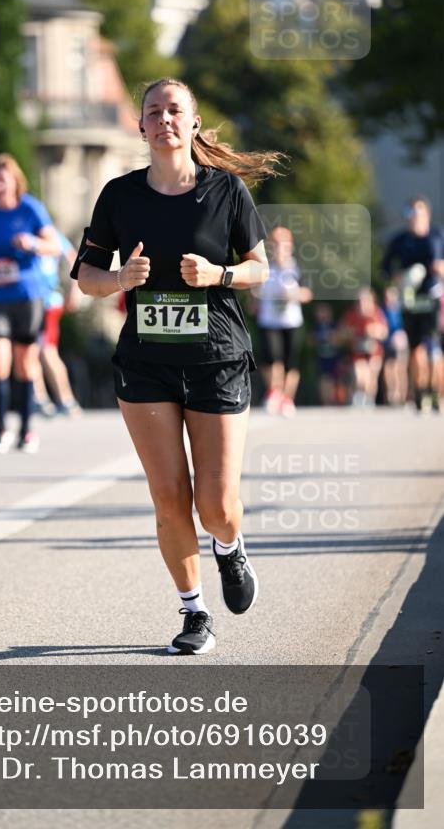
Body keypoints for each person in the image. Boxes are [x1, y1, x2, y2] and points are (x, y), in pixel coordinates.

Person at [72, 77, 281, 655]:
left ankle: (229, 546)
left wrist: (220, 276)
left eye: (175, 110)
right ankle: (194, 613)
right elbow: (85, 276)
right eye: (154, 111)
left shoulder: (227, 192)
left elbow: (260, 269)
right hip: (145, 363)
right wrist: (117, 279)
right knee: (168, 495)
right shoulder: (119, 195)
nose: (164, 119)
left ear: (192, 124)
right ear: (140, 126)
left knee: (215, 505)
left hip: (216, 357)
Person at [0, 154, 60, 453]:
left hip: (26, 296)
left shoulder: (30, 208)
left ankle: (27, 430)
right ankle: (1, 428)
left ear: (14, 181)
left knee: (24, 363)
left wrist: (31, 243)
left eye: (2, 179)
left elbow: (54, 246)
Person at [381, 197, 444, 412]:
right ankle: (420, 390)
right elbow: (385, 267)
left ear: (426, 214)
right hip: (410, 299)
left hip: (433, 297)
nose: (414, 218)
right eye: (411, 213)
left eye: (418, 213)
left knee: (434, 349)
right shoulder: (400, 240)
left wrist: (440, 268)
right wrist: (397, 278)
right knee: (416, 349)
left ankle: (437, 392)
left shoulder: (438, 236)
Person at [253, 226, 313, 417]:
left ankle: (287, 399)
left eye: (283, 244)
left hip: (291, 321)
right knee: (272, 359)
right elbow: (255, 291)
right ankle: (274, 392)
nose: (279, 248)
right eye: (275, 244)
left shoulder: (297, 268)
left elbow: (307, 293)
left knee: (290, 363)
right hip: (269, 320)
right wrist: (255, 300)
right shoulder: (265, 268)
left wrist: (293, 294)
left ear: (290, 246)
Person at [35, 228, 82, 416]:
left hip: (47, 301)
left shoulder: (50, 233)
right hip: (29, 301)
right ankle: (39, 398)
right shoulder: (22, 231)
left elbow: (73, 259)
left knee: (47, 350)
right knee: (30, 350)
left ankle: (66, 399)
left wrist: (74, 291)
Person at [338, 288, 388, 407]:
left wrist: (373, 330)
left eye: (366, 300)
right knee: (359, 374)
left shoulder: (377, 313)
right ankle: (358, 396)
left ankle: (369, 399)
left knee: (372, 375)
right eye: (360, 301)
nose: (363, 303)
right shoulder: (351, 315)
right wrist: (350, 333)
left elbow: (384, 332)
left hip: (374, 351)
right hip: (357, 351)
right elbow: (341, 332)